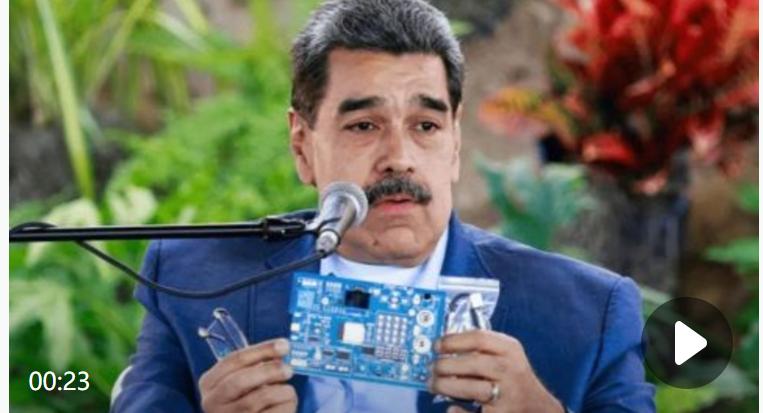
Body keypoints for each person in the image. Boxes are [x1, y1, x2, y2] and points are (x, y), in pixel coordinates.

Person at [112, 0, 655, 412]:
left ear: (455, 142)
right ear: (302, 146)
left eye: (426, 126)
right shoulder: (191, 281)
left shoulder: (591, 313)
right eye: (364, 126)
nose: (399, 158)